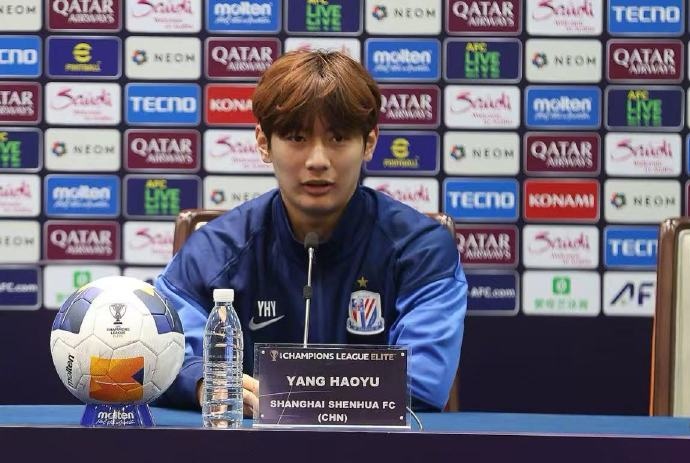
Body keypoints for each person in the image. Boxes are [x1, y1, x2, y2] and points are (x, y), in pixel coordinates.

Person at [154, 50, 467, 414]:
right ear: (263, 143)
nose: (318, 160)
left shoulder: (421, 249)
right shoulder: (214, 251)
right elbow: (161, 354)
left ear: (369, 143)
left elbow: (424, 382)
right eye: (296, 137)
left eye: (338, 138)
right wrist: (202, 381)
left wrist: (287, 395)